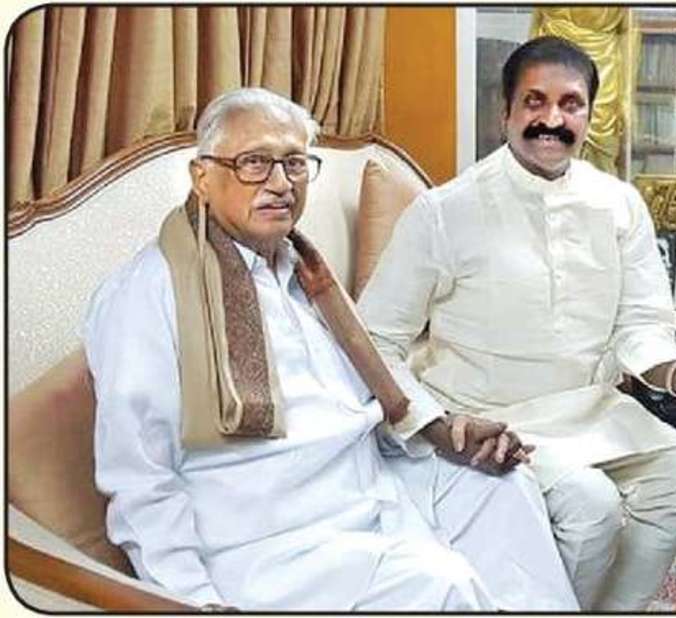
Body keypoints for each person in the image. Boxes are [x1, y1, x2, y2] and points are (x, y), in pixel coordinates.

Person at [84, 87, 579, 611]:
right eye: (254, 163)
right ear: (202, 176)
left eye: (294, 163)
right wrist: (193, 602)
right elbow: (140, 477)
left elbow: (357, 405)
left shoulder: (303, 271)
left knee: (505, 490)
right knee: (441, 584)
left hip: (373, 485)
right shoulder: (149, 293)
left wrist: (442, 431)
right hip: (267, 539)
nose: (280, 183)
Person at [358, 36, 676, 610]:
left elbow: (640, 323)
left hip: (593, 411)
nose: (552, 120)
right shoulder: (445, 211)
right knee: (592, 506)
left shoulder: (619, 205)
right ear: (506, 111)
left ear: (590, 115)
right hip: (490, 416)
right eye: (535, 102)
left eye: (570, 104)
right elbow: (376, 341)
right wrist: (437, 425)